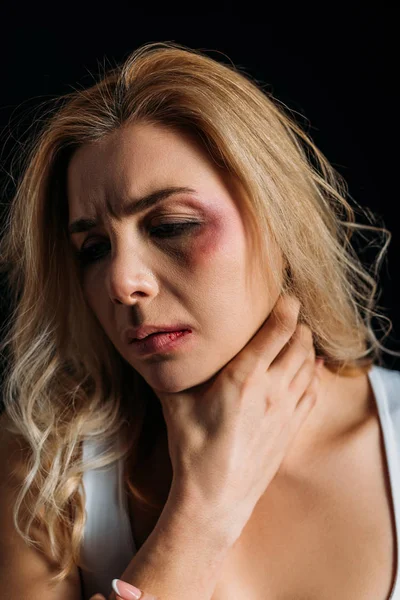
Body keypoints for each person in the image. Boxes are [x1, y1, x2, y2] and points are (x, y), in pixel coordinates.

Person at [0, 41, 399, 600]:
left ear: (278, 221)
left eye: (172, 225)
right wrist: (203, 512)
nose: (122, 282)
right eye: (93, 248)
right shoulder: (46, 468)